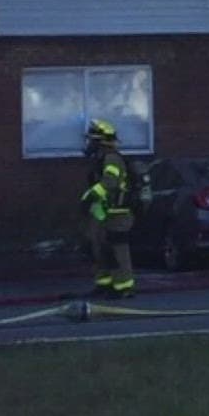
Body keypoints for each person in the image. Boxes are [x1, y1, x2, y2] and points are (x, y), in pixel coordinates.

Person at [81, 118, 136, 299]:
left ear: (100, 141)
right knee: (99, 247)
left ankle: (124, 287)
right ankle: (105, 284)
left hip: (118, 212)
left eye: (92, 140)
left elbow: (110, 182)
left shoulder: (112, 158)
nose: (88, 144)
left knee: (117, 249)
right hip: (104, 211)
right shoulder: (101, 158)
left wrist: (92, 195)